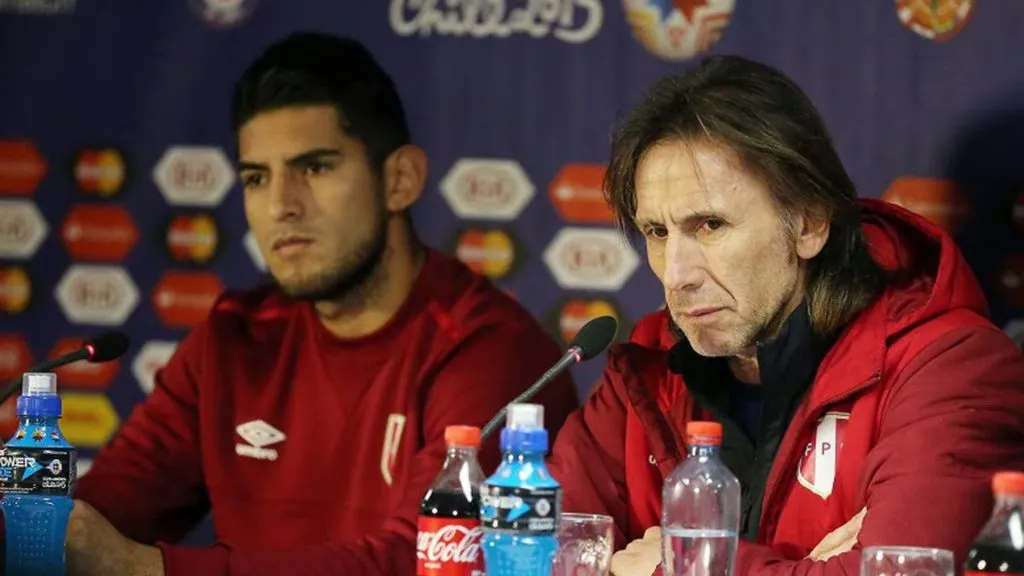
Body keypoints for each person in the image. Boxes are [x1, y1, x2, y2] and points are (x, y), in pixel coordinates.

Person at [64, 32, 580, 576]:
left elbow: (418, 562)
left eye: (314, 168)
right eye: (256, 178)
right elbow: (101, 515)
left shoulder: (489, 352)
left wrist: (150, 570)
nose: (281, 205)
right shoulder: (233, 338)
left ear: (400, 180)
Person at [546, 55, 1024, 576]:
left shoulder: (951, 369)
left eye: (709, 225)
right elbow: (536, 555)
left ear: (810, 223)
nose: (676, 274)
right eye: (658, 233)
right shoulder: (647, 371)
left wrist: (680, 568)